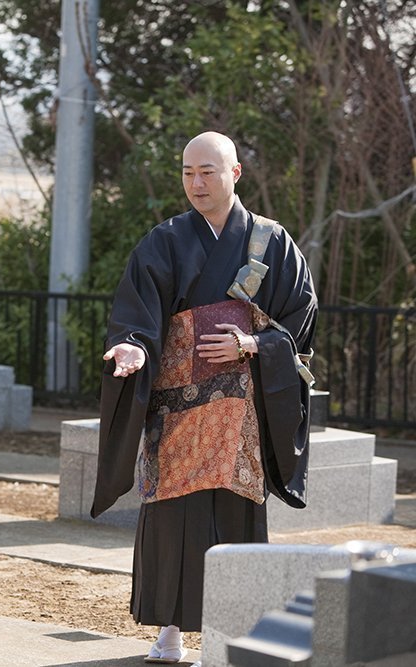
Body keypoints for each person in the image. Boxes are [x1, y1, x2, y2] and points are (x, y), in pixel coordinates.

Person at [91, 131, 317, 663]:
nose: (196, 182)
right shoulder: (164, 241)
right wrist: (132, 348)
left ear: (235, 173)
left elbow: (299, 322)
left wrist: (251, 343)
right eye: (188, 171)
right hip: (177, 407)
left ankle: (231, 632)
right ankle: (169, 629)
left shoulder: (273, 243)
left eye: (207, 171)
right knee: (173, 517)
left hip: (241, 412)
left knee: (235, 516)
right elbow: (135, 314)